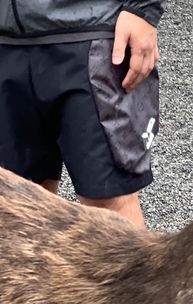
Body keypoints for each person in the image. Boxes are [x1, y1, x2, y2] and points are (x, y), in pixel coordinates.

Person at [0, 1, 165, 228]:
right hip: (5, 41)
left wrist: (143, 10)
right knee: (16, 204)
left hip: (91, 31)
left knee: (109, 207)